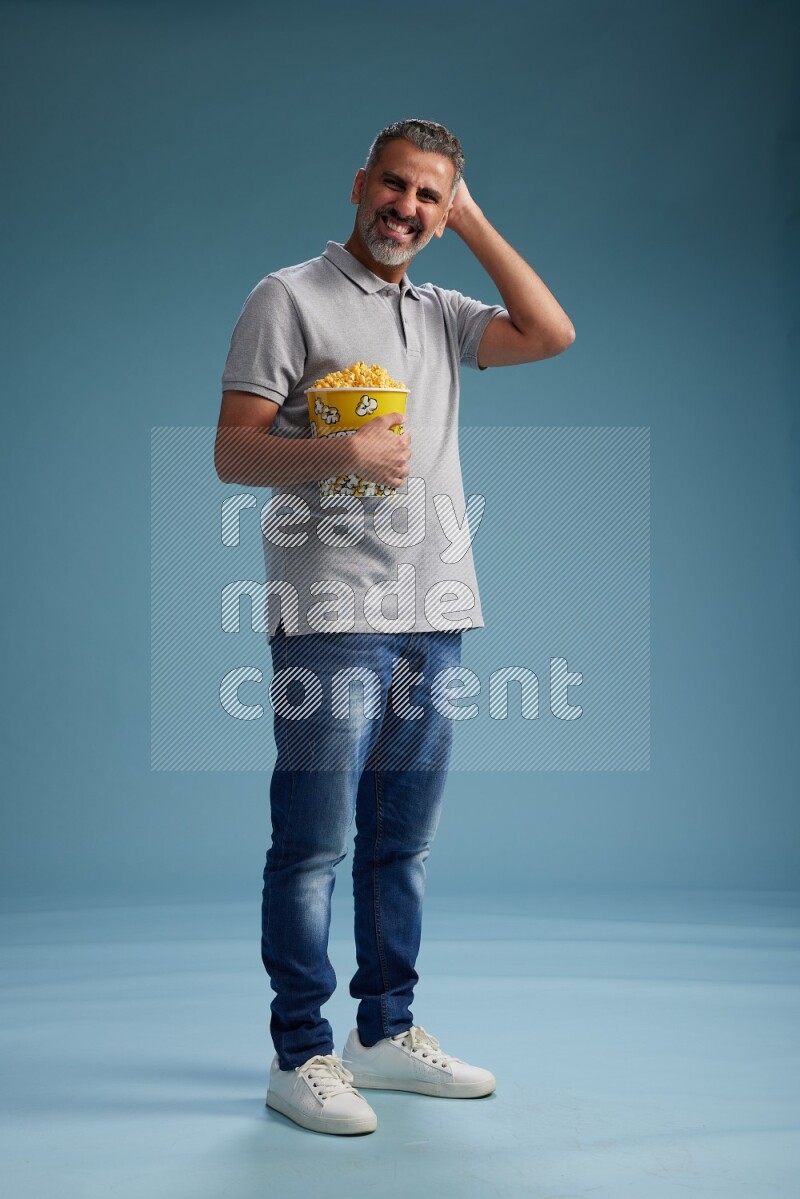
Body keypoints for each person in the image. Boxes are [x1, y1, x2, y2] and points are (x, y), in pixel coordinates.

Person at [215, 119, 574, 1136]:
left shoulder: (442, 310)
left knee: (400, 844)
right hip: (330, 613)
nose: (405, 208)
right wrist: (340, 449)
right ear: (358, 183)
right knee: (314, 843)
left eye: (428, 197)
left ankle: (382, 1032)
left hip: (437, 611)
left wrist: (473, 220)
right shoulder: (286, 297)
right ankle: (300, 1052)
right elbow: (232, 453)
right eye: (394, 186)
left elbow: (550, 332)